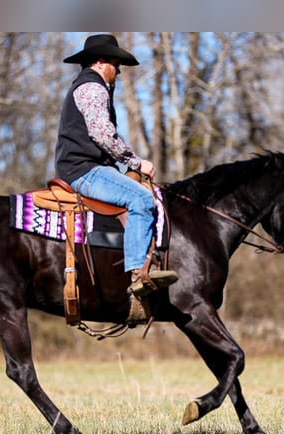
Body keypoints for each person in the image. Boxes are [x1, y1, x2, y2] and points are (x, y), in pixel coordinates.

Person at [55, 33, 178, 298]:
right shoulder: (92, 87)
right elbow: (102, 134)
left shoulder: (90, 86)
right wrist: (136, 162)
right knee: (141, 199)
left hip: (85, 167)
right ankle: (138, 273)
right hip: (84, 170)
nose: (119, 72)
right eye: (116, 64)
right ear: (100, 62)